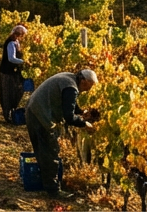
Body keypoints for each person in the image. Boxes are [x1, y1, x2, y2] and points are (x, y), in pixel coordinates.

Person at [25, 69, 98, 199]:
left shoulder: (69, 79)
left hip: (33, 111)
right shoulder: (71, 87)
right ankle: (53, 190)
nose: (89, 89)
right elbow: (69, 117)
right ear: (84, 81)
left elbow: (69, 103)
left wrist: (80, 112)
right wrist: (84, 124)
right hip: (40, 116)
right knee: (51, 153)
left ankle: (45, 183)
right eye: (90, 85)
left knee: (43, 151)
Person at [0, 25, 28, 121]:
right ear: (17, 34)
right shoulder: (10, 43)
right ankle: (7, 116)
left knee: (16, 91)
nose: (22, 37)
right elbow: (11, 58)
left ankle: (12, 112)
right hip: (6, 72)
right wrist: (23, 61)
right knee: (7, 94)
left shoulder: (16, 41)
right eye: (22, 35)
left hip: (13, 72)